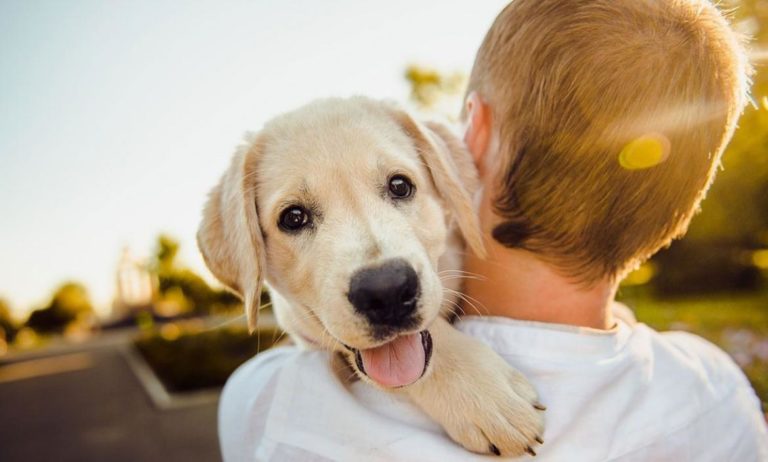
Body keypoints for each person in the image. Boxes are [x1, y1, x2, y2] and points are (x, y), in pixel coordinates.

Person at [219, 0, 768, 460]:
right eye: (296, 218)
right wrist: (440, 363)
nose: (380, 269)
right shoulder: (719, 395)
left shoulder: (272, 408)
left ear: (471, 137)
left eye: (399, 187)